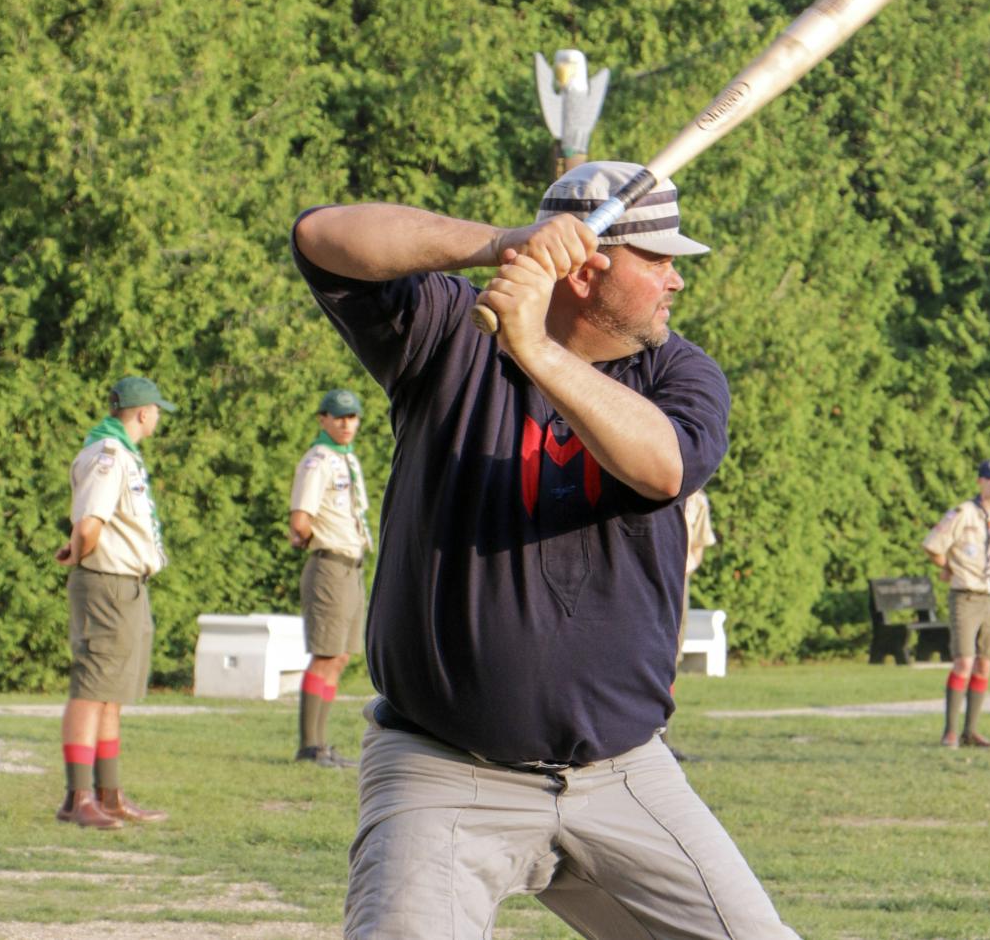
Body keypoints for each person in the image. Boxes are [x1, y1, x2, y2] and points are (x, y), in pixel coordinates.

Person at [292, 160, 800, 939]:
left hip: (624, 773)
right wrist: (502, 243)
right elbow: (321, 236)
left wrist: (534, 346)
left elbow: (660, 464)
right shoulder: (449, 338)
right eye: (658, 259)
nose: (676, 281)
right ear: (589, 265)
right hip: (443, 769)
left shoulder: (678, 371)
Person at [53, 376, 175, 829]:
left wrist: (77, 549)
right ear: (143, 413)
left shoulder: (120, 453)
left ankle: (109, 794)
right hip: (106, 584)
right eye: (157, 410)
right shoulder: (108, 456)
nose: (159, 417)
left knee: (111, 694)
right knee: (91, 690)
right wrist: (81, 552)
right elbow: (89, 523)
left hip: (125, 583)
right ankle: (77, 798)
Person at [288, 387, 373, 768]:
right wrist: (308, 539)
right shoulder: (318, 461)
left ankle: (322, 745)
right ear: (322, 419)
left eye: (352, 416)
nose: (346, 423)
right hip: (328, 564)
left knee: (339, 656)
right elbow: (300, 519)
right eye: (338, 416)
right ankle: (310, 746)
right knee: (324, 655)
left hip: (350, 566)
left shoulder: (346, 460)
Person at [922, 457, 990, 749]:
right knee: (964, 661)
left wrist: (987, 572)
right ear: (979, 481)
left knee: (984, 664)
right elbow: (933, 545)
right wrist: (951, 567)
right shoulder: (962, 513)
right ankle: (950, 731)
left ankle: (971, 730)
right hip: (965, 595)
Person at [666, 488, 717, 760]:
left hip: (678, 579)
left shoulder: (697, 500)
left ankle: (662, 736)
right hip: (649, 575)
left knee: (671, 655)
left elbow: (699, 545)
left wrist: (685, 567)